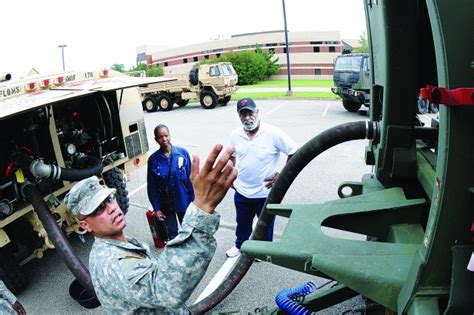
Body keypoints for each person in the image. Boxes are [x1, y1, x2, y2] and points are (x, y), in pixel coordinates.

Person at [65, 144, 237, 314]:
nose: (111, 208)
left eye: (109, 198)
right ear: (85, 225)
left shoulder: (118, 244)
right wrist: (202, 208)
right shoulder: (111, 262)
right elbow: (166, 290)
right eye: (98, 209)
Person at [226, 98, 298, 258]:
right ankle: (240, 245)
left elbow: (294, 151)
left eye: (250, 113)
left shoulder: (273, 133)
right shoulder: (235, 135)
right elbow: (232, 156)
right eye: (243, 114)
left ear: (257, 112)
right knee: (242, 223)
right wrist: (230, 175)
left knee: (265, 225)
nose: (247, 118)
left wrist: (282, 175)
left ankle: (262, 251)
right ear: (239, 116)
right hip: (242, 191)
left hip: (265, 194)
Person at [147, 124, 194, 241]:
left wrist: (194, 203)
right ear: (156, 140)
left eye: (166, 135)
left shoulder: (182, 153)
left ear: (170, 135)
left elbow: (191, 180)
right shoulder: (153, 159)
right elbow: (152, 187)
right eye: (160, 137)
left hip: (183, 201)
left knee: (188, 232)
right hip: (166, 205)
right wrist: (157, 208)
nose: (164, 139)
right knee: (172, 236)